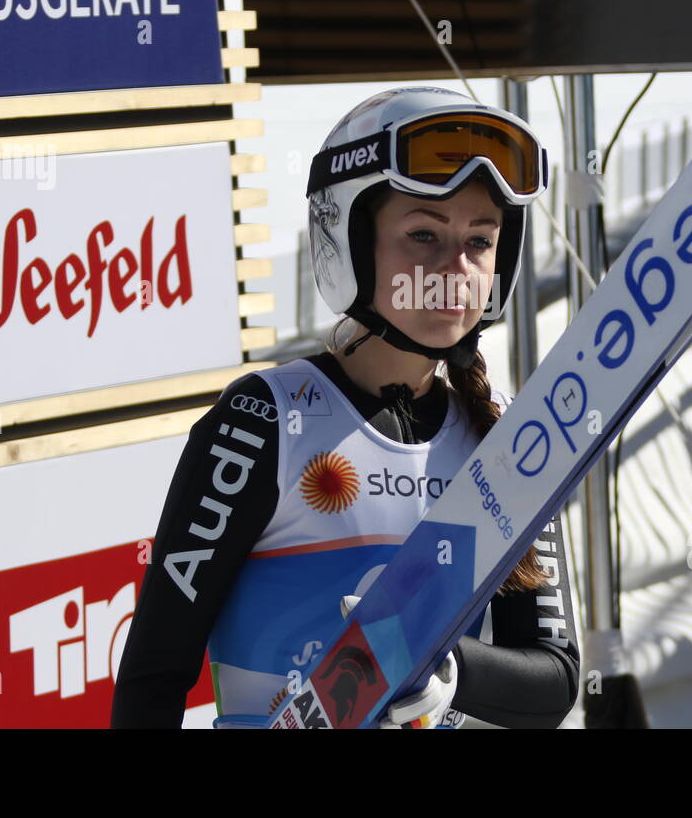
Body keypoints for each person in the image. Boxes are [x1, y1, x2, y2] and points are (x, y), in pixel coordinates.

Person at [111, 85, 579, 729]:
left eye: (480, 240)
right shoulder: (263, 423)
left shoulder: (504, 434)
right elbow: (154, 674)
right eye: (422, 234)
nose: (455, 268)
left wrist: (450, 668)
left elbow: (555, 679)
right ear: (350, 242)